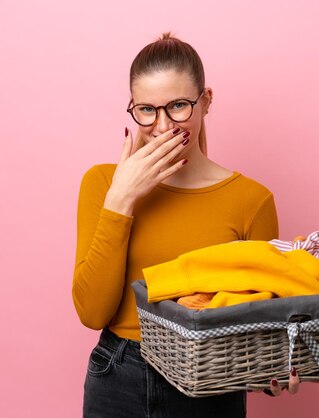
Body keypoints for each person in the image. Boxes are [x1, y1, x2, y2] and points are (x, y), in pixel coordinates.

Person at [72, 32, 300, 417]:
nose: (162, 127)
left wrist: (271, 369)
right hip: (119, 376)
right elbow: (93, 314)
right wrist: (122, 199)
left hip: (210, 380)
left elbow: (258, 318)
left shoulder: (251, 200)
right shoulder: (102, 184)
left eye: (178, 105)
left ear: (206, 101)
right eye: (146, 109)